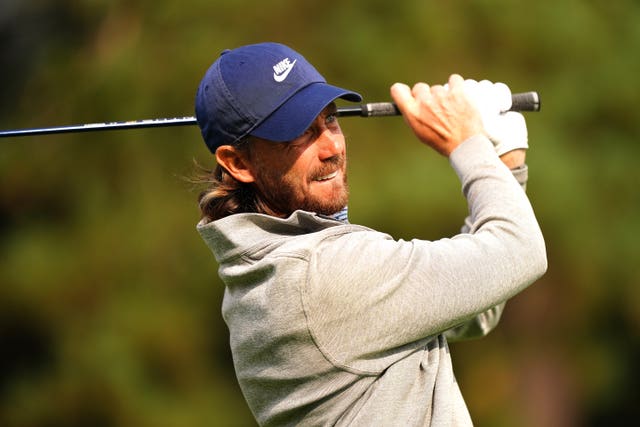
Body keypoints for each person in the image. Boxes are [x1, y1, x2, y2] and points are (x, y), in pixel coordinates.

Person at [194, 42, 547, 426]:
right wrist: (468, 144)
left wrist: (506, 165)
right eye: (296, 135)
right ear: (238, 162)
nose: (331, 147)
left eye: (329, 120)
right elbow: (519, 249)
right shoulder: (318, 275)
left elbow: (480, 301)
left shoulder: (272, 268)